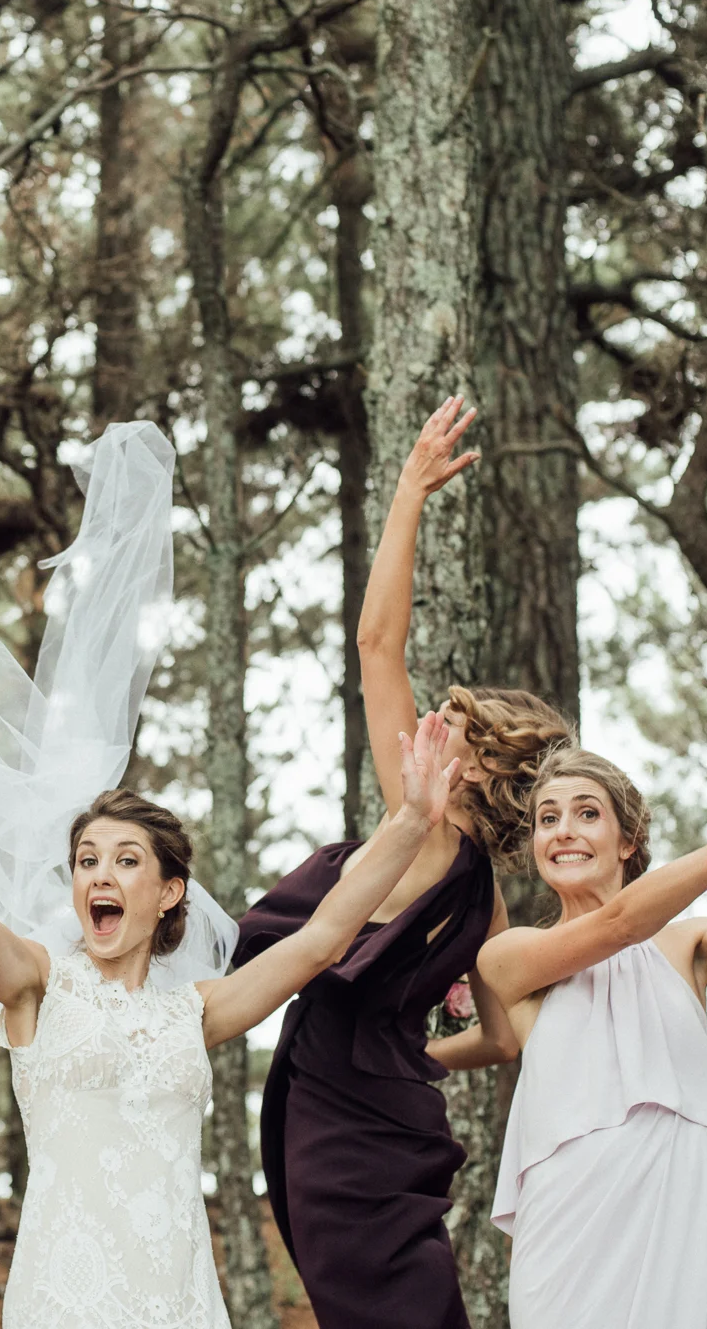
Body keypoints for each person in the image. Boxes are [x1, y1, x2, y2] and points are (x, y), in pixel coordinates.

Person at [0, 712, 462, 1329]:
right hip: (66, 1300)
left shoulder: (195, 1011)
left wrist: (410, 822)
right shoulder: (36, 984)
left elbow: (322, 940)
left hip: (180, 1300)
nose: (100, 875)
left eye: (126, 861)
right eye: (87, 860)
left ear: (168, 893)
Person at [231, 395, 562, 1329]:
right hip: (396, 1121)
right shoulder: (484, 893)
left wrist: (411, 490)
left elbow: (378, 642)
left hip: (337, 1127)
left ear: (471, 767)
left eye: (447, 725)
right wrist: (413, 1057)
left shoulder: (422, 828)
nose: (425, 724)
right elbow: (501, 1039)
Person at [472, 748, 707, 1329]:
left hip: (685, 1202)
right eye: (548, 818)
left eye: (586, 813)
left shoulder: (685, 945)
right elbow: (619, 925)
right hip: (570, 1219)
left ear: (628, 841)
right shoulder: (510, 956)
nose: (564, 831)